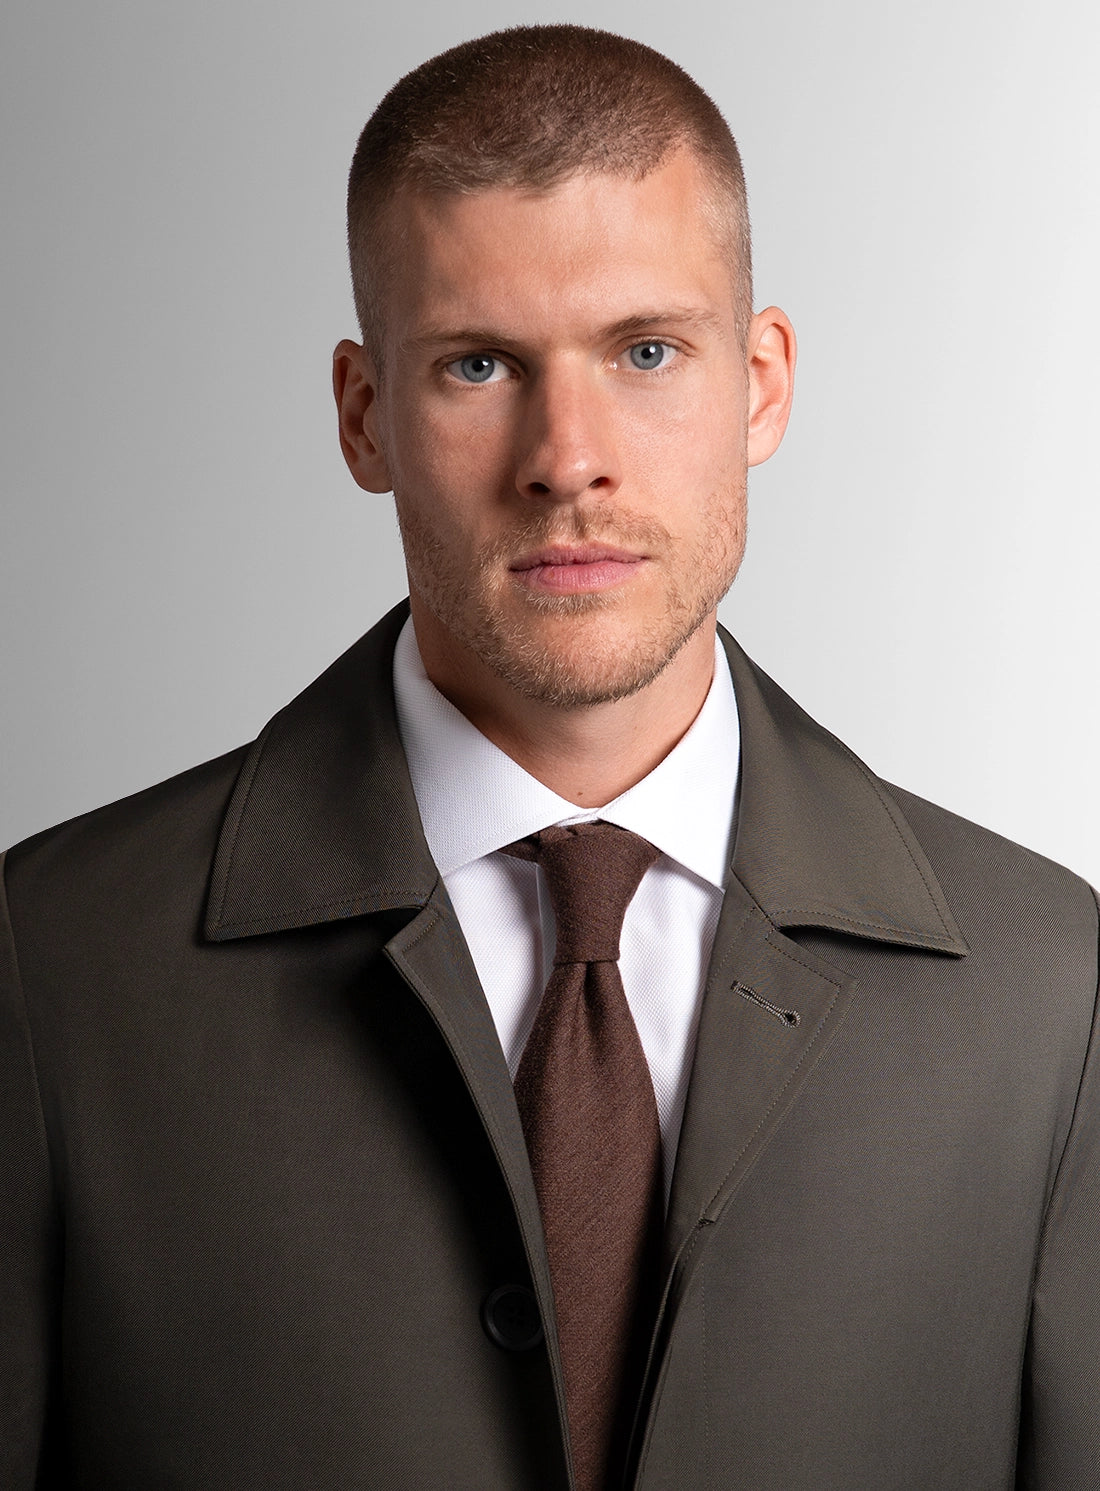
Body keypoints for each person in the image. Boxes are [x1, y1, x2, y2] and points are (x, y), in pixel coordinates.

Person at [2, 23, 1097, 1491]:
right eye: (477, 364)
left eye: (648, 351)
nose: (566, 454)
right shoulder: (54, 966)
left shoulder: (1050, 994)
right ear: (363, 412)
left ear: (761, 384)